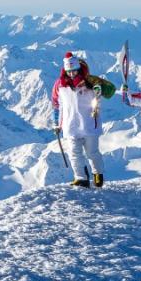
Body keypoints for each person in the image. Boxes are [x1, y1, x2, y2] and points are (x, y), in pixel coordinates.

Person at [51, 52, 115, 187]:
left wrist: (100, 88)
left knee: (92, 152)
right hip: (70, 125)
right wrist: (56, 123)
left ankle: (97, 173)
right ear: (65, 70)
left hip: (89, 124)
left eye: (74, 71)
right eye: (69, 71)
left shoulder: (89, 80)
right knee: (74, 153)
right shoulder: (59, 85)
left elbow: (110, 90)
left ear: (78, 68)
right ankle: (81, 178)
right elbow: (56, 104)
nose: (72, 74)